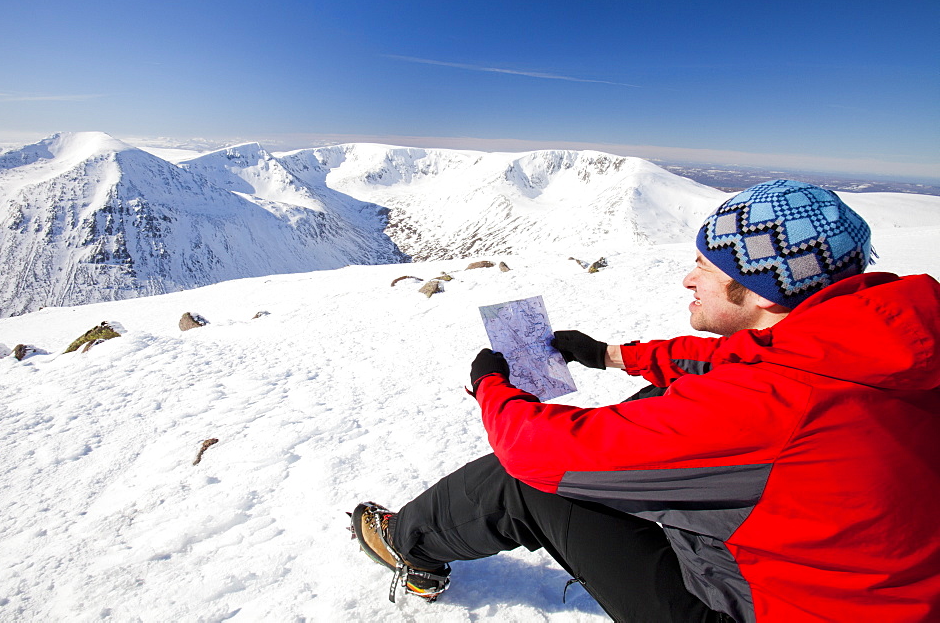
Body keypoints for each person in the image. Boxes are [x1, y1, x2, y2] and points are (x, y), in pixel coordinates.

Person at [350, 179, 940, 622]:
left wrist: (492, 387)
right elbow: (749, 359)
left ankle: (406, 543)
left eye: (705, 266)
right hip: (882, 591)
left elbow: (543, 453)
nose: (688, 279)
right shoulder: (887, 341)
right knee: (668, 396)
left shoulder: (774, 405)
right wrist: (612, 354)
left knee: (528, 482)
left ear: (758, 291)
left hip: (768, 611)